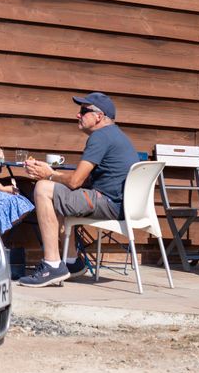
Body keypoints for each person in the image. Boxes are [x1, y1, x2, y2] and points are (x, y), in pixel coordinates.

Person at [19, 92, 139, 287]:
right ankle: (72, 262)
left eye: (84, 111)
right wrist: (53, 176)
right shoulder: (116, 135)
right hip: (120, 204)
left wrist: (48, 174)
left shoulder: (100, 137)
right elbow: (79, 182)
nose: (78, 115)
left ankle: (52, 265)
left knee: (43, 189)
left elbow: (75, 181)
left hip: (108, 203)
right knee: (59, 193)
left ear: (99, 116)